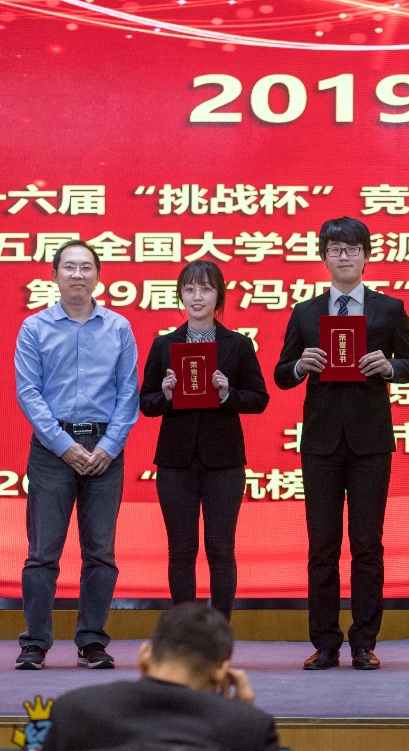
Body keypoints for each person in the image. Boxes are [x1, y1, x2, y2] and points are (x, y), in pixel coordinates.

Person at [274, 217, 409, 670]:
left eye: (352, 248)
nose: (344, 256)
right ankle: (324, 642)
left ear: (366, 256)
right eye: (336, 249)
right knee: (322, 545)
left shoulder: (388, 308)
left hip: (370, 442)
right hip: (320, 443)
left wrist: (390, 367)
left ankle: (364, 642)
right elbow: (280, 375)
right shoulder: (305, 312)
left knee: (367, 545)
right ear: (324, 257)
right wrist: (299, 366)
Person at [14, 240, 139, 671]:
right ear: (55, 275)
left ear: (98, 276)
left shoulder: (119, 327)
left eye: (86, 267)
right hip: (52, 450)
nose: (78, 275)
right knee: (42, 554)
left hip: (105, 450)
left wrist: (108, 446)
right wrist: (64, 446)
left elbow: (129, 392)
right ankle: (34, 643)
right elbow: (28, 393)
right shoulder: (34, 328)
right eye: (69, 267)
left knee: (100, 553)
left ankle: (92, 641)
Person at [139, 260, 270, 620]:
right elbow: (145, 403)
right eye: (190, 289)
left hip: (224, 462)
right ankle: (184, 632)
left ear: (219, 296)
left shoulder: (238, 345)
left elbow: (259, 398)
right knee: (181, 549)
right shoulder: (164, 345)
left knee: (221, 549)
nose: (197, 296)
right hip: (175, 462)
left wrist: (228, 394)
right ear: (180, 295)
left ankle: (219, 631)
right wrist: (165, 395)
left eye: (206, 289)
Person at [42, 602, 280, 751]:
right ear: (222, 671)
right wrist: (240, 715)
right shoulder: (250, 728)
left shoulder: (73, 711)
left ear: (145, 654)